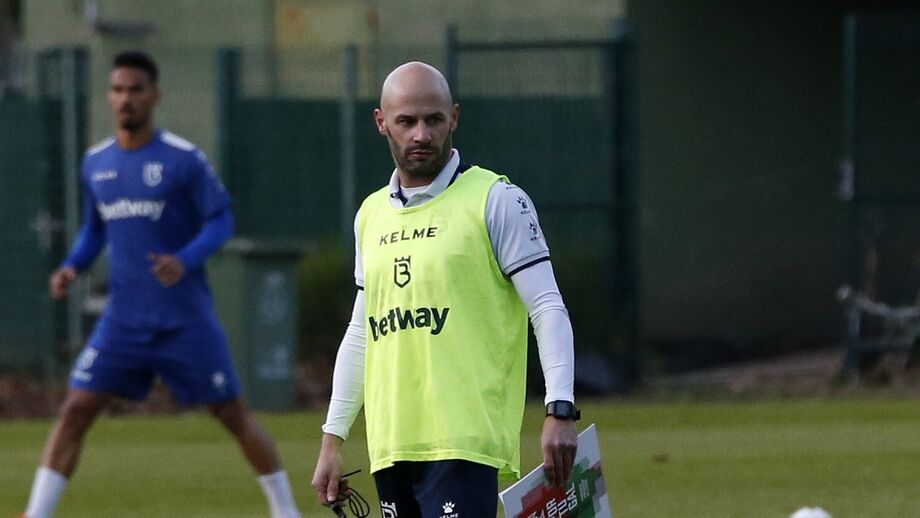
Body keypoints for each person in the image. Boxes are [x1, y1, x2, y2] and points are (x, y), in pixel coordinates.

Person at [22, 51, 301, 518]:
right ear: (109, 97)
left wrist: (185, 259)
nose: (125, 98)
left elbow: (221, 219)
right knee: (76, 409)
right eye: (117, 89)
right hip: (124, 322)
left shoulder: (183, 160)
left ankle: (286, 511)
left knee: (232, 413)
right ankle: (37, 513)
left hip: (184, 321)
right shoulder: (96, 164)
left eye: (135, 89)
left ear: (155, 96)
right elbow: (95, 229)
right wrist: (72, 266)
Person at [311, 61, 579, 517]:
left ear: (453, 117)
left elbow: (547, 306)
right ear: (381, 123)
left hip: (464, 441)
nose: (421, 134)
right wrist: (332, 440)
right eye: (406, 121)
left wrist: (560, 409)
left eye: (433, 120)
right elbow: (362, 332)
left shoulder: (495, 199)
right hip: (392, 443)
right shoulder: (370, 215)